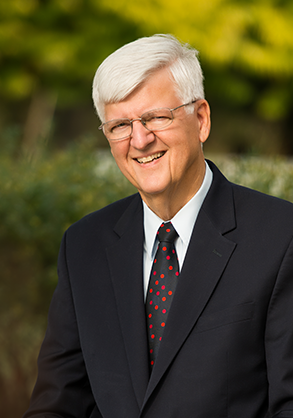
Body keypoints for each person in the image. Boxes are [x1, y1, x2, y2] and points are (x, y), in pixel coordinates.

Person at [23, 34, 293, 418]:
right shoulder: (83, 246)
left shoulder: (281, 236)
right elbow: (58, 405)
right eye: (119, 125)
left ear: (200, 119)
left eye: (155, 117)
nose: (140, 139)